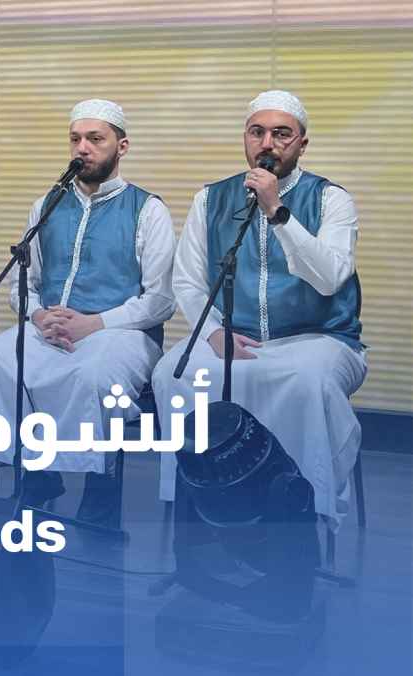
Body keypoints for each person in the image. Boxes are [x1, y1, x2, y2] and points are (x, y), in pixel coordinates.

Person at [0, 99, 176, 525]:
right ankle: (36, 472)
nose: (83, 148)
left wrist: (94, 323)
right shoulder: (47, 206)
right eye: (75, 139)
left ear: (122, 146)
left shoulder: (148, 209)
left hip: (122, 332)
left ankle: (100, 484)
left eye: (95, 139)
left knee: (93, 376)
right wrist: (38, 315)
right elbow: (23, 285)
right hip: (50, 326)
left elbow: (161, 300)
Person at [154, 90, 365, 530]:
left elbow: (330, 278)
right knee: (173, 373)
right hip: (234, 335)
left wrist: (277, 211)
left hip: (319, 337)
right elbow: (188, 281)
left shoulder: (331, 199)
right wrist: (213, 332)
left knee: (308, 380)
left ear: (302, 144)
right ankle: (201, 507)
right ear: (246, 139)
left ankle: (305, 510)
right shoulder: (211, 199)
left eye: (281, 134)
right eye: (257, 132)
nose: (267, 143)